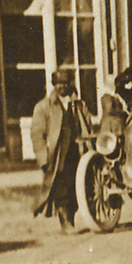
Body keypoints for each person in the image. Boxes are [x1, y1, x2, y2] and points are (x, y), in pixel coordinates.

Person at [32, 69, 94, 233]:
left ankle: (70, 219)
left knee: (78, 187)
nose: (62, 86)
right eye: (59, 83)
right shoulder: (44, 107)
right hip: (58, 155)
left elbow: (87, 125)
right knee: (61, 189)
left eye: (65, 83)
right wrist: (43, 159)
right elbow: (37, 135)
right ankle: (66, 223)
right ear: (54, 84)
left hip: (77, 153)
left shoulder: (78, 105)